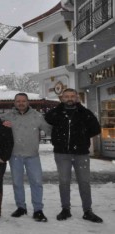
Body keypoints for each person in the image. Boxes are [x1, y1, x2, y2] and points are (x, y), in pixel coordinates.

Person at [44, 88, 103, 223]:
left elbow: (96, 129)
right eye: (66, 96)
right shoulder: (55, 113)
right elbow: (46, 121)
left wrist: (81, 138)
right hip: (61, 153)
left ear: (76, 97)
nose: (69, 98)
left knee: (84, 182)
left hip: (81, 154)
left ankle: (87, 211)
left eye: (72, 96)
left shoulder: (85, 113)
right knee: (64, 182)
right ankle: (66, 209)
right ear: (61, 98)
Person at [1, 93, 51, 222]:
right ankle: (21, 207)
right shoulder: (7, 116)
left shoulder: (37, 116)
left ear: (28, 102)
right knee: (17, 183)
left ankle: (38, 210)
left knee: (37, 183)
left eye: (23, 101)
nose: (21, 103)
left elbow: (49, 130)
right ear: (14, 102)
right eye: (18, 101)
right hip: (15, 155)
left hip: (32, 156)